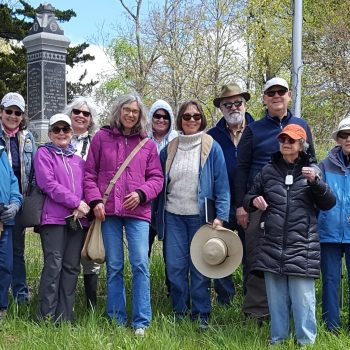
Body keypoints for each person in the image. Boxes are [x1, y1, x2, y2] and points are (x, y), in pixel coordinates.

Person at [243, 124, 335, 346]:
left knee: (304, 302)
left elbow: (329, 203)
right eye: (283, 139)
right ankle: (278, 341)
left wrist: (316, 183)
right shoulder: (268, 170)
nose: (286, 143)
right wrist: (253, 201)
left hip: (302, 247)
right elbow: (249, 198)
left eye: (291, 140)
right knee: (276, 302)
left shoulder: (313, 171)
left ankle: (305, 343)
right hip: (272, 245)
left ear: (301, 146)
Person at [234, 77, 317, 320]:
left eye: (281, 91)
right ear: (265, 98)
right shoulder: (253, 129)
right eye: (271, 93)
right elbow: (242, 168)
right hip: (260, 205)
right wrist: (241, 205)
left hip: (296, 206)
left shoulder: (301, 125)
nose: (276, 96)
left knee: (293, 262)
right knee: (259, 259)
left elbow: (311, 162)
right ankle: (257, 313)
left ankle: (289, 314)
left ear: (289, 94)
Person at [84, 93, 163, 337]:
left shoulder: (147, 144)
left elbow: (157, 178)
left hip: (138, 213)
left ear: (140, 116)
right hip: (108, 212)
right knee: (115, 265)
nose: (130, 114)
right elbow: (89, 174)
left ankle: (141, 321)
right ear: (118, 111)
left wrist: (141, 194)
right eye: (126, 110)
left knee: (140, 264)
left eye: (135, 111)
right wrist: (95, 200)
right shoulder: (101, 138)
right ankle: (116, 318)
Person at [156, 100, 230, 329]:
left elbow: (222, 185)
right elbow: (158, 183)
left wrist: (221, 216)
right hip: (173, 216)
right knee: (176, 269)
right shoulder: (169, 149)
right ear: (180, 119)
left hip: (201, 218)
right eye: (186, 116)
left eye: (196, 116)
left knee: (200, 268)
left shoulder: (211, 146)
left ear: (202, 119)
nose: (191, 120)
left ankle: (202, 315)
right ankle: (180, 312)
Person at [34, 113, 90, 323]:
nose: (61, 133)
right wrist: (75, 202)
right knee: (54, 265)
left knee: (71, 267)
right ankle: (45, 315)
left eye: (65, 129)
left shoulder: (78, 160)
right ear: (50, 133)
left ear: (71, 132)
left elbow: (87, 186)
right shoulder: (44, 154)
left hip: (78, 220)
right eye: (56, 129)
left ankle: (65, 316)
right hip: (54, 220)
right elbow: (47, 183)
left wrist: (83, 205)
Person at [208, 83, 254, 304]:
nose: (234, 107)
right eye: (228, 104)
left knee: (251, 256)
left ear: (245, 105)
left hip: (251, 204)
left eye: (238, 103)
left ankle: (251, 300)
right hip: (221, 206)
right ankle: (224, 299)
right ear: (221, 108)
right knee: (220, 252)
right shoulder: (211, 136)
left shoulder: (259, 130)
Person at [63, 97, 99, 309]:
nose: (81, 116)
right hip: (63, 209)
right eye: (77, 111)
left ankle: (91, 306)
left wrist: (90, 203)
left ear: (91, 119)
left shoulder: (95, 142)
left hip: (90, 208)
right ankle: (66, 304)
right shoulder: (59, 138)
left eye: (86, 114)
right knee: (66, 258)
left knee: (90, 256)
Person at [0, 92, 36, 305]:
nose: (13, 116)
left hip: (18, 199)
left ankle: (20, 296)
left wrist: (22, 200)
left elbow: (33, 172)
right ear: (1, 112)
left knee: (17, 251)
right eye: (9, 111)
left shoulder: (28, 138)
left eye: (17, 113)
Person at [318, 116, 350, 333]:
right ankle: (331, 327)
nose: (348, 139)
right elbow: (316, 195)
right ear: (338, 139)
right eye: (344, 135)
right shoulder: (324, 164)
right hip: (328, 233)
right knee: (330, 281)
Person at [147, 99, 177, 256]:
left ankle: (171, 281)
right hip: (146, 202)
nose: (161, 120)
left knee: (171, 253)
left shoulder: (178, 140)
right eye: (157, 116)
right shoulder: (141, 140)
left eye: (165, 117)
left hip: (169, 201)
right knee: (142, 250)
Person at [0, 144, 22, 320]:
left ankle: (2, 308)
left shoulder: (2, 154)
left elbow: (13, 185)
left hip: (4, 222)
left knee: (5, 266)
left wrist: (15, 204)